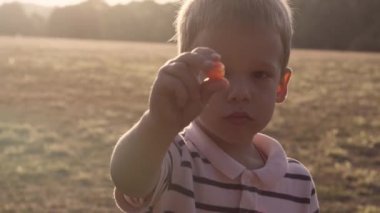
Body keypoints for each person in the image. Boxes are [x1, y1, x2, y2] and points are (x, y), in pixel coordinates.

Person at [110, 0, 319, 212]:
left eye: (260, 75)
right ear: (189, 75)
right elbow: (128, 179)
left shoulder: (298, 184)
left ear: (281, 86)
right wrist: (157, 125)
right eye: (220, 73)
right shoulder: (173, 158)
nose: (240, 93)